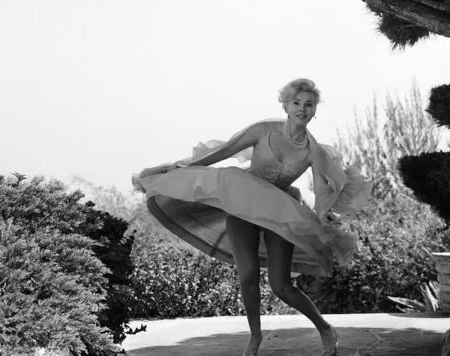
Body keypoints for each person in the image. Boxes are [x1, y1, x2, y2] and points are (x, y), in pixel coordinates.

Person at [133, 78, 372, 356]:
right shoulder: (263, 130)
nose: (301, 109)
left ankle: (324, 328)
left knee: (280, 285)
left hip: (280, 212)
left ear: (314, 110)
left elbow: (321, 193)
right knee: (246, 276)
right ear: (285, 105)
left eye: (308, 105)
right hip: (242, 203)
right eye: (296, 103)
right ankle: (255, 337)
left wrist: (325, 216)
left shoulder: (313, 151)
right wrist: (181, 167)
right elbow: (222, 153)